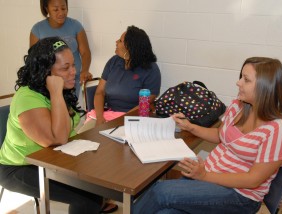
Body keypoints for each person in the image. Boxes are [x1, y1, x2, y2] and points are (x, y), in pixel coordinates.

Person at [133, 57, 282, 214]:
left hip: (239, 195)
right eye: (241, 77)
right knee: (165, 212)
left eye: (246, 80)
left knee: (161, 192)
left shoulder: (280, 128)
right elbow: (221, 135)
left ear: (265, 87)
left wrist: (204, 175)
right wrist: (190, 127)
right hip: (209, 177)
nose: (238, 82)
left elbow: (253, 180)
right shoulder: (240, 106)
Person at [0, 37, 116, 214]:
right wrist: (55, 91)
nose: (73, 72)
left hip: (50, 159)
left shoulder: (63, 90)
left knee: (97, 186)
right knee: (87, 199)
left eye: (73, 65)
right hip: (18, 167)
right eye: (65, 68)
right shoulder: (27, 98)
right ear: (46, 72)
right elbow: (58, 139)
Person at [92, 25, 161, 125]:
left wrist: (120, 121)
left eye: (120, 41)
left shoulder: (151, 69)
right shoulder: (114, 61)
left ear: (129, 47)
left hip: (133, 119)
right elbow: (99, 92)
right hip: (107, 115)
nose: (116, 42)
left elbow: (145, 104)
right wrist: (99, 118)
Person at [30, 0, 93, 97]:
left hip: (71, 80)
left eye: (63, 8)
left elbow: (85, 53)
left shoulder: (75, 25)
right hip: (49, 84)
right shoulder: (37, 29)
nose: (61, 13)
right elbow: (34, 61)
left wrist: (84, 70)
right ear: (47, 9)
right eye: (55, 10)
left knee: (70, 110)